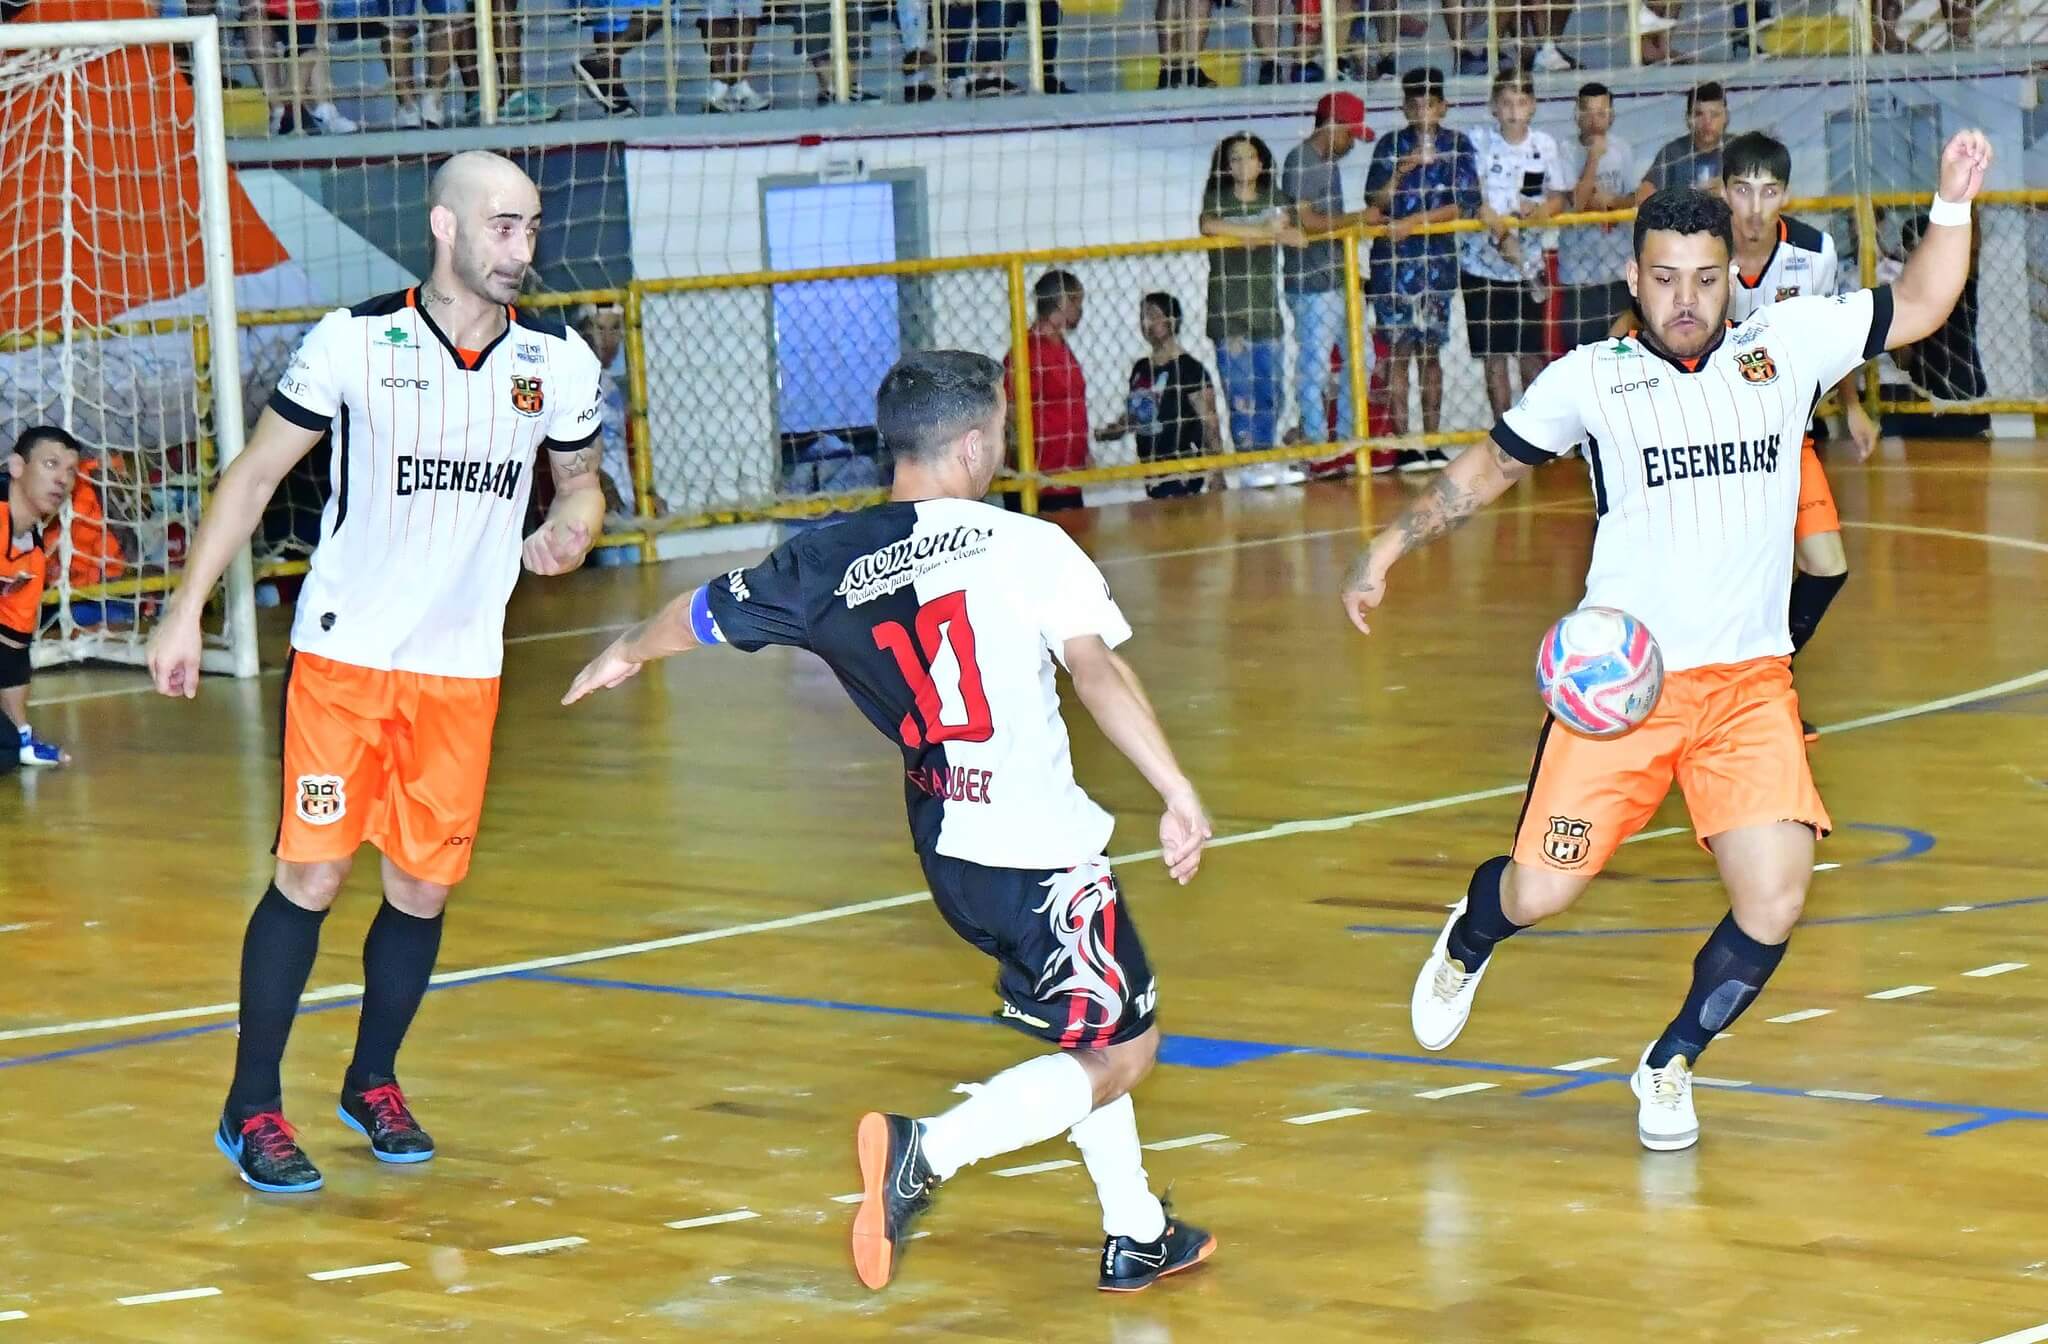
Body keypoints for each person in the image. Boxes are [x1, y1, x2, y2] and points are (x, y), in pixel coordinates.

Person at [1340, 131, 1993, 1153]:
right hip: (1622, 690)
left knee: (1773, 902)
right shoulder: (1589, 378)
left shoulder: (1786, 346)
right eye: (1663, 279)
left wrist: (1951, 202)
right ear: (1633, 277)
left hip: (1747, 688)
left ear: (1730, 276)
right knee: (1539, 890)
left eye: (1704, 279)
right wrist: (1386, 547)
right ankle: (1471, 935)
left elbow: (1920, 302)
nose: (1685, 299)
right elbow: (1490, 468)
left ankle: (1671, 1060)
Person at [563, 349, 1216, 1293]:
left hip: (949, 850)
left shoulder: (826, 559)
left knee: (1085, 1031)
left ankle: (1138, 1230)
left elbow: (700, 616)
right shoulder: (1028, 544)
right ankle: (925, 1152)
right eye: (999, 430)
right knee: (1125, 1048)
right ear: (972, 445)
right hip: (1039, 847)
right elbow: (1098, 672)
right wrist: (1176, 790)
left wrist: (627, 648)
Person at [145, 151, 608, 1195]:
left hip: (462, 668)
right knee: (313, 875)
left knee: (422, 885)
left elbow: (582, 482)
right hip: (346, 657)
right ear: (444, 226)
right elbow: (253, 477)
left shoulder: (556, 360)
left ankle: (372, 1081)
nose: (522, 248)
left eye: (532, 227)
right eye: (502, 226)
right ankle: (251, 1106)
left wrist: (574, 524)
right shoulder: (354, 341)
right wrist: (184, 611)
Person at [1721, 131, 1879, 741]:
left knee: (1827, 567)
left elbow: (1833, 337)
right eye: (1742, 190)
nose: (1755, 208)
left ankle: (1761, 686)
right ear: (1724, 192)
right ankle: (1730, 701)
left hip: (1788, 436)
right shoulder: (1700, 248)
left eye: (1769, 192)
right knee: (1735, 574)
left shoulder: (1814, 253)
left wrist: (1853, 408)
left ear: (1785, 194)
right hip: (1714, 441)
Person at [1364, 67, 1477, 471]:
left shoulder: (1457, 145)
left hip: (1436, 264)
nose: (1421, 111)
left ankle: (1432, 441)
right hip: (1392, 265)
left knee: (1430, 353)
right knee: (1398, 353)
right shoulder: (1390, 145)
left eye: (1429, 104)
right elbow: (1375, 203)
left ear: (1443, 106)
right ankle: (1404, 444)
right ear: (1403, 108)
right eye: (1413, 104)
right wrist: (1400, 172)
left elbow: (1465, 203)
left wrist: (1414, 222)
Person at [1459, 72, 1568, 420]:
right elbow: (1470, 193)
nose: (1513, 111)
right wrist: (1492, 220)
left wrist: (1541, 211)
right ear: (1494, 106)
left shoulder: (1545, 145)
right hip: (1481, 266)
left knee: (1530, 354)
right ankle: (1503, 430)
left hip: (1528, 265)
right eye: (1505, 103)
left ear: (1532, 106)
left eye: (1521, 102)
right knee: (1494, 355)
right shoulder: (1478, 141)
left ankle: (1535, 428)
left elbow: (1558, 198)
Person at [1197, 132, 1302, 478]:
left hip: (1265, 311)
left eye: (1250, 157)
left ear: (1262, 163)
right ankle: (1248, 464)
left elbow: (1294, 234)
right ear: (1225, 166)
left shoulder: (1274, 197)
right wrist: (1264, 231)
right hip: (1228, 313)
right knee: (1240, 394)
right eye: (1235, 158)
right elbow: (1209, 225)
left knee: (1270, 392)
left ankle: (1264, 458)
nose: (1244, 165)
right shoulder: (1218, 198)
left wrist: (1256, 233)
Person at [1282, 92, 1374, 454]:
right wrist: (1359, 219)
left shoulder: (1328, 164)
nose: (1351, 144)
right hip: (1311, 283)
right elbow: (1307, 221)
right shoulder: (1301, 161)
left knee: (1362, 357)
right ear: (1333, 126)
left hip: (1338, 277)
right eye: (1350, 134)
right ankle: (1316, 441)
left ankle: (1349, 436)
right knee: (1315, 365)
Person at [1, 426, 82, 768]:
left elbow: (11, 650)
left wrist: (22, 737)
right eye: (51, 464)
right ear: (17, 467)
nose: (62, 479)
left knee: (6, 750)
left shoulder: (32, 557)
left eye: (71, 471)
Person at [1095, 293, 1223, 499]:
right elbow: (1138, 414)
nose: (1146, 322)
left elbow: (1210, 425)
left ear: (1173, 320)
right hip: (1151, 473)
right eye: (1143, 316)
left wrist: (1216, 475)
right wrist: (1116, 429)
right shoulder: (1141, 368)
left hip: (1184, 474)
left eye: (1153, 315)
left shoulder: (1190, 369)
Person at [1557, 82, 1637, 349]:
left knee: (1622, 353)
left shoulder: (1623, 149)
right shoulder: (1565, 150)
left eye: (1601, 113)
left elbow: (1633, 199)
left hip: (1618, 271)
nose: (1594, 121)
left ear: (1611, 115)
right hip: (1579, 275)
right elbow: (1577, 203)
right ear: (1577, 115)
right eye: (1588, 113)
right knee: (1582, 356)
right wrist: (1593, 158)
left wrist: (1610, 202)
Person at [1005, 269, 1089, 511]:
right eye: (1077, 302)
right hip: (1040, 482)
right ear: (1064, 302)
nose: (1080, 310)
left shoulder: (1062, 349)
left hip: (1067, 475)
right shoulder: (1027, 352)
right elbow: (1009, 413)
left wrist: (1083, 451)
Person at [1636, 82, 1728, 203]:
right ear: (1688, 119)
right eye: (1699, 114)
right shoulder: (1672, 153)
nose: (1707, 122)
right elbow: (1643, 196)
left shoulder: (1738, 148)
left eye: (1714, 115)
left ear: (1726, 117)